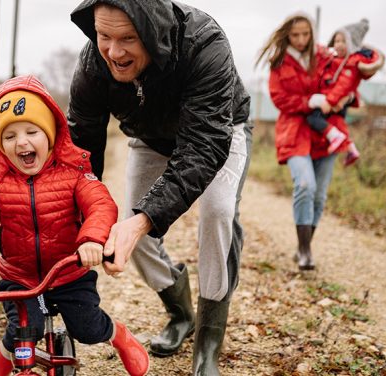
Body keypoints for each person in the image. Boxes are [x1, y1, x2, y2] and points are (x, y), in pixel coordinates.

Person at [67, 1, 251, 374]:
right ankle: (181, 314)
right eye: (104, 36)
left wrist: (143, 220)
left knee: (217, 213)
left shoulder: (204, 43)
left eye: (128, 39)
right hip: (150, 138)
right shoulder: (92, 64)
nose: (114, 52)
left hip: (219, 132)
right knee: (131, 227)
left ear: (151, 31)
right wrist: (80, 222)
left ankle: (208, 342)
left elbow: (202, 147)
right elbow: (81, 153)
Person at [0, 75, 149, 376]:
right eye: (9, 136)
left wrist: (91, 240)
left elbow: (101, 204)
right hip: (19, 277)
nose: (22, 142)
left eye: (32, 131)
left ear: (50, 134)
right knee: (23, 331)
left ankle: (118, 335)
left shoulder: (73, 173)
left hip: (69, 271)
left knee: (87, 327)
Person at [256, 12, 338, 271]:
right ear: (287, 35)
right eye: (295, 35)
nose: (301, 39)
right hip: (294, 132)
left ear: (312, 34)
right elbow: (279, 99)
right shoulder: (279, 62)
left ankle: (305, 247)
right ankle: (304, 250)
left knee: (319, 195)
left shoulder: (325, 56)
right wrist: (309, 101)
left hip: (325, 132)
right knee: (305, 185)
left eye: (305, 34)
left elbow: (347, 79)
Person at [308, 18, 385, 166]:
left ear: (352, 44)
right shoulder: (334, 60)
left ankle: (335, 137)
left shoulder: (350, 63)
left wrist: (330, 102)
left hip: (333, 101)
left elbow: (343, 86)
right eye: (336, 41)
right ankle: (351, 149)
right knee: (337, 123)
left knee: (313, 119)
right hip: (334, 99)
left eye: (343, 41)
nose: (338, 45)